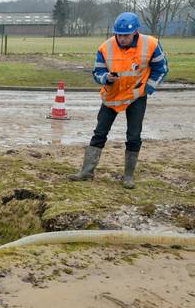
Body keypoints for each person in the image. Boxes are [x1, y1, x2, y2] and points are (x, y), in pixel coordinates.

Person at [69, 12, 168, 189]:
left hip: (136, 96)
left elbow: (161, 68)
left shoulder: (151, 44)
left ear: (135, 32)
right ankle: (87, 171)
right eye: (119, 35)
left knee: (134, 136)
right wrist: (106, 78)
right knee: (99, 133)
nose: (122, 39)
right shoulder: (105, 48)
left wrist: (148, 88)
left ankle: (128, 176)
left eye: (125, 36)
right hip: (112, 97)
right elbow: (96, 73)